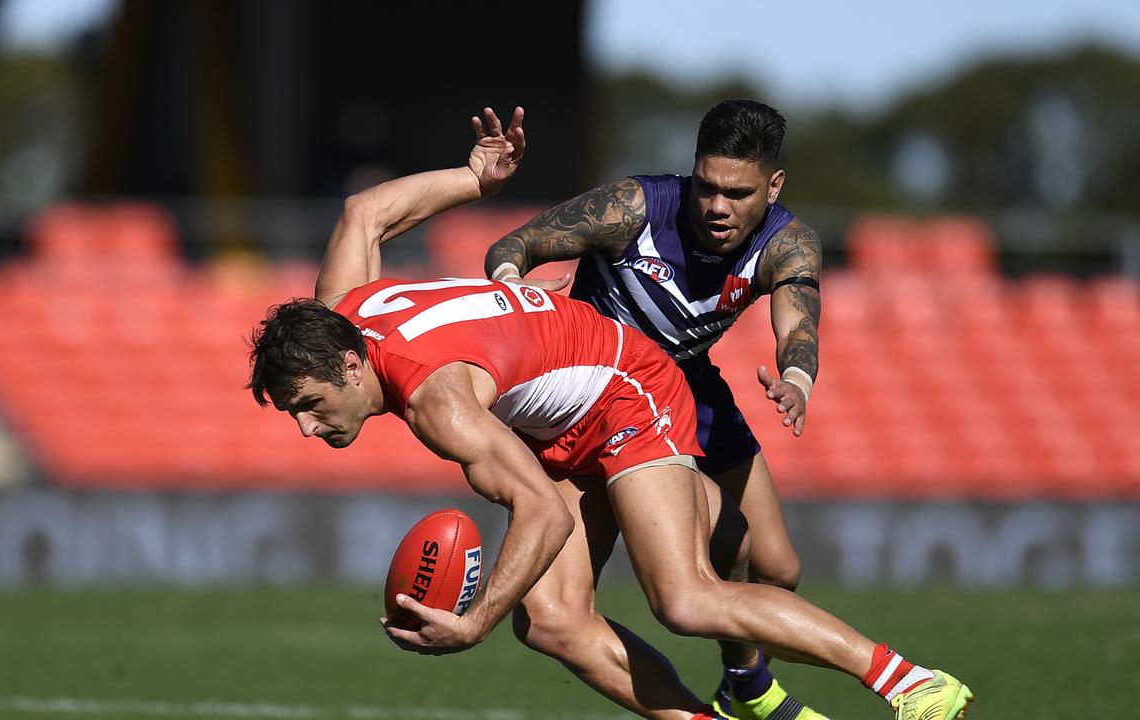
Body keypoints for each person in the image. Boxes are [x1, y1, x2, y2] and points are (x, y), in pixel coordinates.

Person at [247, 106, 974, 720]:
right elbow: (363, 213)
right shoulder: (336, 312)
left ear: (349, 365)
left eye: (309, 407)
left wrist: (472, 625)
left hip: (632, 384)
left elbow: (544, 514)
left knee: (686, 599)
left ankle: (913, 684)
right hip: (564, 415)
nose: (309, 429)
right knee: (554, 623)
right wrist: (470, 179)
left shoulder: (440, 401)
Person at [482, 98, 824, 719]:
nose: (718, 207)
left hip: (693, 387)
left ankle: (742, 678)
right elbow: (516, 244)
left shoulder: (788, 242)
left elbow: (797, 323)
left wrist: (797, 379)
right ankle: (740, 690)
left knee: (778, 566)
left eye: (738, 193)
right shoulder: (632, 208)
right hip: (604, 395)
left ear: (773, 187)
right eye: (707, 187)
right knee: (706, 558)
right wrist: (512, 286)